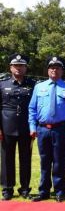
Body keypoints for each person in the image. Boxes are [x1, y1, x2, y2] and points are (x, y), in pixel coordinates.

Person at [29, 56, 65, 202]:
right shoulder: (39, 87)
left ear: (62, 71)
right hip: (43, 129)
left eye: (57, 68)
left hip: (61, 129)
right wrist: (32, 126)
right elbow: (32, 108)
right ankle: (43, 191)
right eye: (51, 67)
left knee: (59, 161)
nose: (54, 70)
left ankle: (60, 190)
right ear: (48, 70)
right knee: (44, 161)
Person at [0, 54, 35, 200]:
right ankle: (7, 189)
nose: (19, 68)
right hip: (6, 125)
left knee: (25, 158)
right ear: (10, 68)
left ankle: (25, 188)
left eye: (22, 66)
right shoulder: (2, 84)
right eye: (16, 66)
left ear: (26, 68)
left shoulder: (33, 85)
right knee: (6, 158)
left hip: (25, 126)